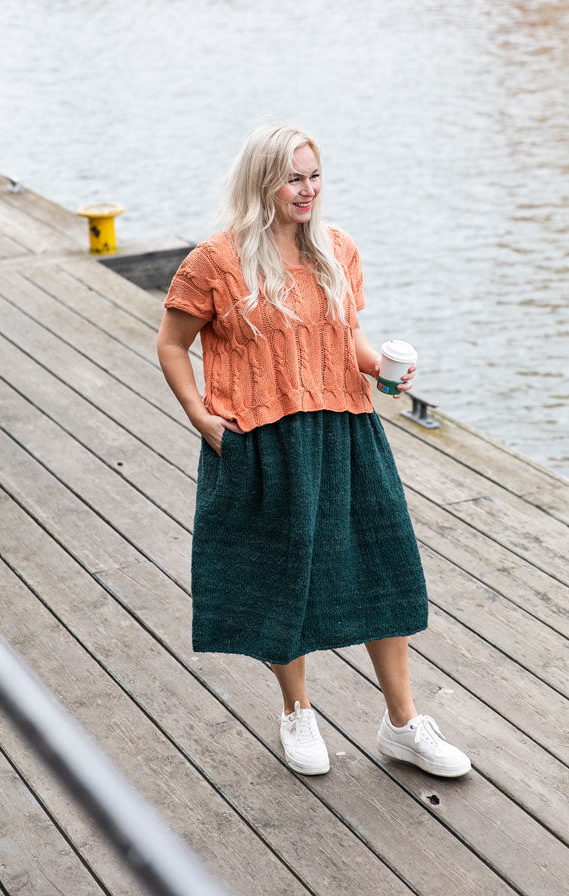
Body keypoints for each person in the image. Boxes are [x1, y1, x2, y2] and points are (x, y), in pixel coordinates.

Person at [157, 123, 471, 780]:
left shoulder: (337, 248)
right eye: (293, 178)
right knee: (283, 579)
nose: (307, 190)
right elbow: (171, 342)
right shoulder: (216, 261)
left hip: (347, 430)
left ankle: (403, 724)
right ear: (262, 182)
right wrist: (199, 415)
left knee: (383, 568)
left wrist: (380, 367)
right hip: (264, 441)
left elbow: (344, 338)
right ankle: (297, 711)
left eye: (314, 176)